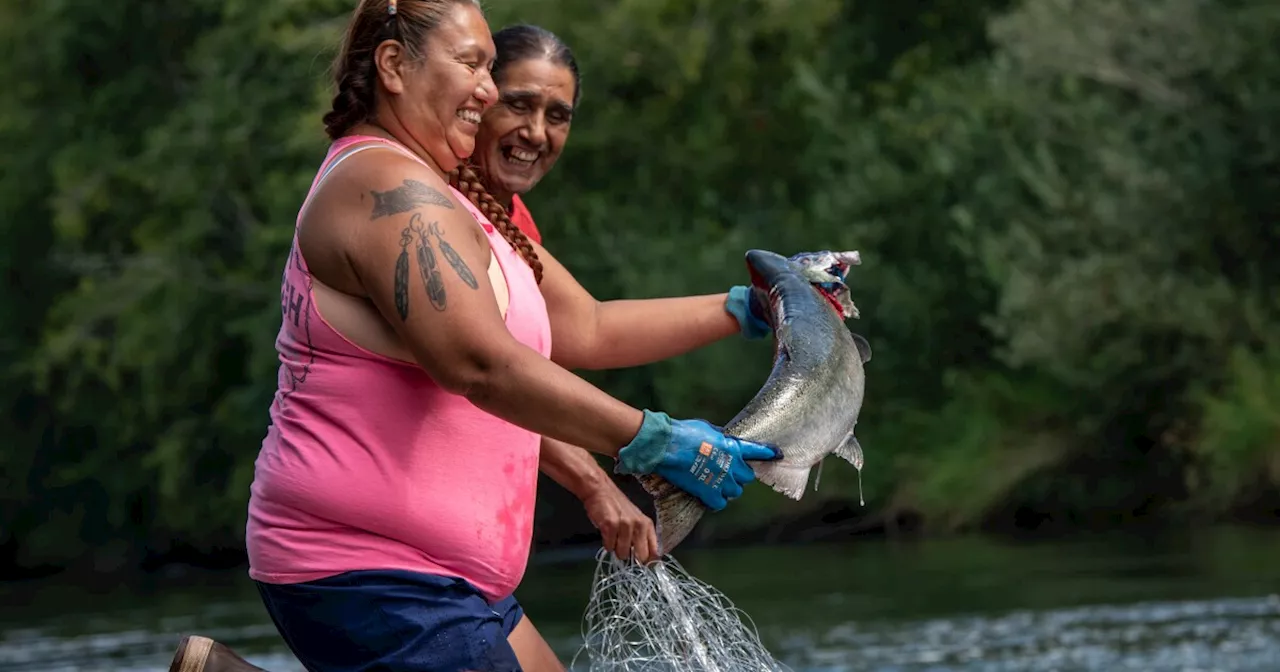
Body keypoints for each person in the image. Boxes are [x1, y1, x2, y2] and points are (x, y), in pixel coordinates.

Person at [228, 1, 815, 671]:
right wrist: (653, 440)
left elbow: (586, 327)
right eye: (472, 64)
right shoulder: (385, 188)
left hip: (445, 580)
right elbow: (482, 365)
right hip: (370, 569)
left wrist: (752, 305)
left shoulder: (450, 201)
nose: (486, 87)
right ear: (393, 66)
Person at [464, 24, 661, 570]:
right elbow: (495, 372)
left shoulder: (515, 223)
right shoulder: (444, 211)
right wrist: (597, 481)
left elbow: (591, 328)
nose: (536, 133)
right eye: (518, 105)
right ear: (476, 101)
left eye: (557, 116)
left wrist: (751, 304)